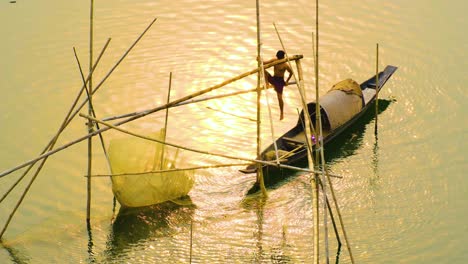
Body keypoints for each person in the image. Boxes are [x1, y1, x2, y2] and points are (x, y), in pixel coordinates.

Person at [263, 50, 292, 120]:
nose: (278, 59)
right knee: (263, 70)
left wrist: (287, 81)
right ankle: (267, 83)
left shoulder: (285, 65)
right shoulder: (274, 60)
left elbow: (291, 73)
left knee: (279, 98)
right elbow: (264, 63)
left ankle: (281, 113)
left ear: (282, 57)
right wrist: (259, 60)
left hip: (280, 81)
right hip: (274, 78)